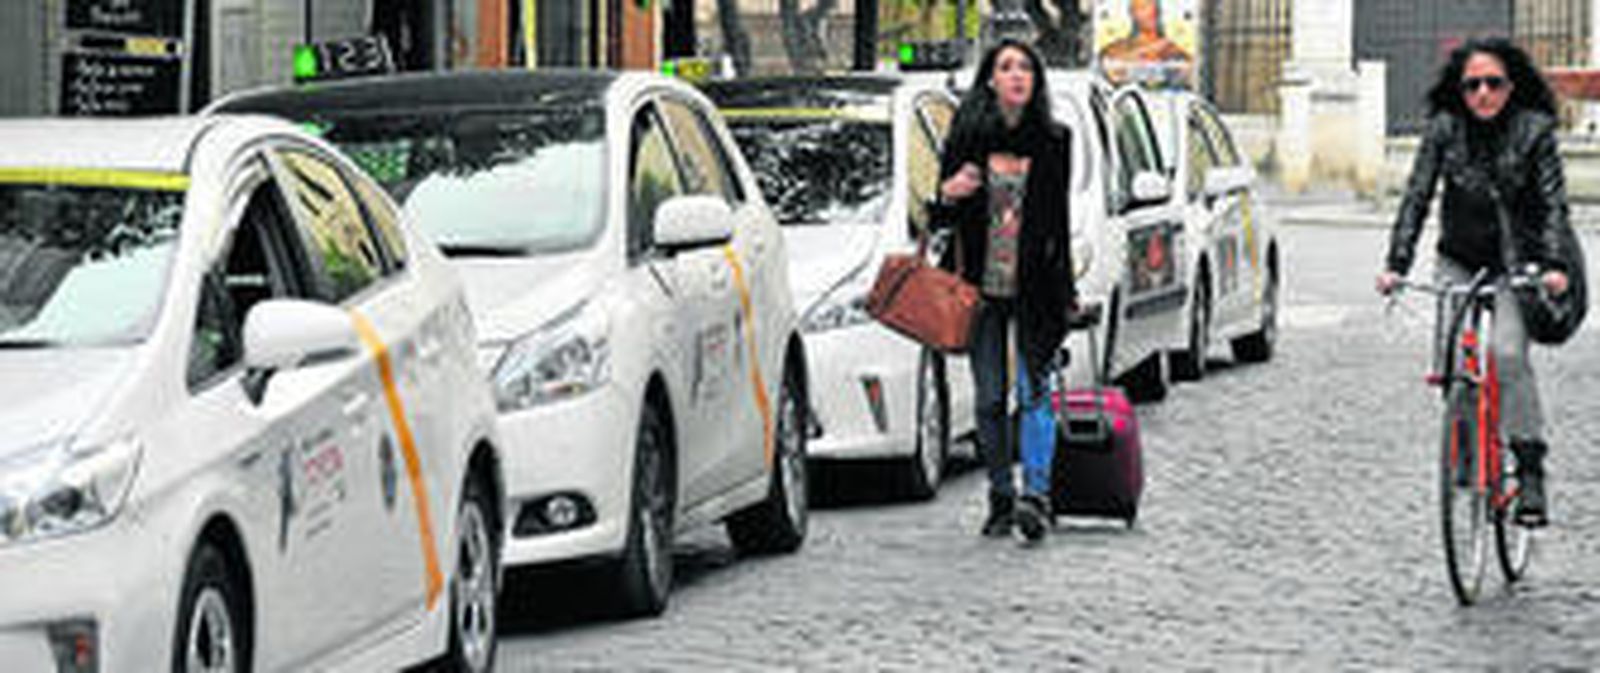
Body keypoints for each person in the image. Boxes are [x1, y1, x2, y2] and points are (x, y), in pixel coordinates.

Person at [1376, 37, 1572, 527]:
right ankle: (1464, 443)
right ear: (1459, 90)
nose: (1483, 93)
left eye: (1493, 83)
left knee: (1507, 355)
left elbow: (1553, 204)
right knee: (1450, 355)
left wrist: (1553, 265)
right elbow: (1417, 196)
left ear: (1511, 86)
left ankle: (1529, 469)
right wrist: (1397, 264)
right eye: (1472, 85)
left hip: (1515, 263)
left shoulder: (1534, 130)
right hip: (1459, 258)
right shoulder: (1444, 129)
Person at [936, 38, 1076, 542]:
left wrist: (1067, 290)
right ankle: (1000, 494)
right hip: (981, 289)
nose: (1017, 75)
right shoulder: (967, 137)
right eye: (1006, 67)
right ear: (991, 80)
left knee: (1035, 392)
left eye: (1026, 68)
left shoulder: (1055, 140)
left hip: (1036, 287)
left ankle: (1036, 496)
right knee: (991, 398)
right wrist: (948, 193)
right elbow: (939, 217)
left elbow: (1058, 222)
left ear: (1036, 81)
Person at [1099, 0, 1191, 86]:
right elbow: (1108, 66)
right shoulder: (1118, 48)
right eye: (1143, 8)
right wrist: (1147, 49)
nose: (1150, 12)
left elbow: (1189, 72)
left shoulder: (1172, 49)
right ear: (1133, 13)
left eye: (1154, 7)